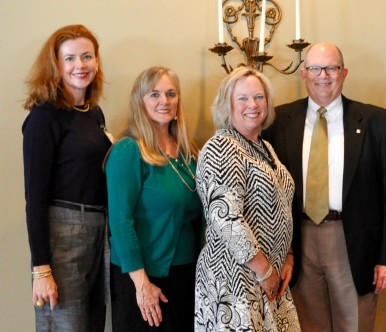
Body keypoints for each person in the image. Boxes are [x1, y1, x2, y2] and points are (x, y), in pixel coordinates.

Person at [263, 42, 386, 332]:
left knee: (355, 324)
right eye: (315, 68)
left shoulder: (376, 121)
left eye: (331, 68)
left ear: (344, 73)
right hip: (298, 243)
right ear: (304, 73)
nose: (323, 75)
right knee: (308, 325)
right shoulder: (278, 121)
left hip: (352, 240)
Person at [194, 67, 300, 331]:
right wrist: (264, 270)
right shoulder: (222, 147)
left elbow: (281, 205)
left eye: (259, 97)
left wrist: (287, 256)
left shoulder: (265, 147)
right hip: (236, 277)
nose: (252, 105)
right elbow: (226, 217)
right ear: (227, 104)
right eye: (242, 98)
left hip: (269, 277)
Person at [21, 24, 111, 331]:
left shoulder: (94, 114)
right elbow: (34, 199)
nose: (80, 65)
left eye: (87, 56)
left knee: (93, 324)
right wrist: (41, 271)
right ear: (56, 65)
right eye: (70, 58)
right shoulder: (43, 118)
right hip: (63, 233)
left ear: (97, 61)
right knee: (64, 325)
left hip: (100, 231)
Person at [105, 66, 202, 331]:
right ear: (140, 101)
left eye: (171, 93)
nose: (165, 101)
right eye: (154, 94)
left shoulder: (188, 153)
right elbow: (120, 221)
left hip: (185, 273)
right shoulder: (128, 150)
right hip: (143, 275)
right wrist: (141, 283)